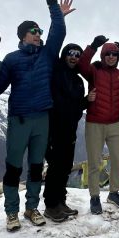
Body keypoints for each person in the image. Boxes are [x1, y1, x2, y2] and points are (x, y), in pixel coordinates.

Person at [0, 0, 74, 231]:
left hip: (42, 118)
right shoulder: (11, 59)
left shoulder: (47, 54)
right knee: (13, 167)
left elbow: (58, 33)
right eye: (33, 31)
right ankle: (11, 212)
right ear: (22, 35)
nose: (38, 35)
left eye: (39, 31)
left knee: (35, 166)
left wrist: (53, 6)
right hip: (19, 118)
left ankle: (31, 207)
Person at [78, 37, 119, 214]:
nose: (112, 57)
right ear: (103, 55)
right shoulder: (94, 71)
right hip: (94, 123)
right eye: (108, 54)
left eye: (115, 54)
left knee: (117, 161)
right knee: (95, 162)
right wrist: (93, 46)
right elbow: (82, 65)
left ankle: (113, 193)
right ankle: (94, 196)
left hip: (115, 124)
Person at [43, 43, 94, 222]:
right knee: (55, 167)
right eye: (70, 54)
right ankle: (50, 205)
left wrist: (86, 101)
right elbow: (60, 104)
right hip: (54, 128)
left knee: (65, 167)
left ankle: (60, 201)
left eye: (77, 55)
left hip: (70, 129)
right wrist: (84, 101)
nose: (74, 57)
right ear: (64, 55)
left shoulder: (78, 81)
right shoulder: (55, 75)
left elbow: (76, 108)